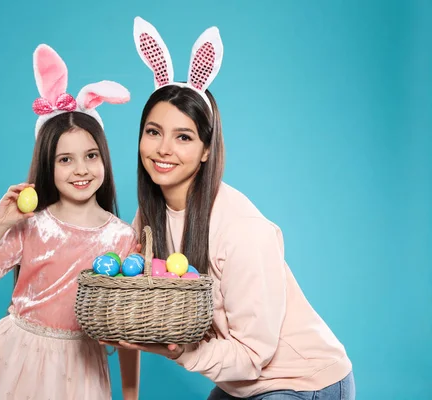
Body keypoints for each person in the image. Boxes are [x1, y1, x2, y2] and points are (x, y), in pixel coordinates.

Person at [109, 17, 355, 400]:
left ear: (207, 149)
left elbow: (255, 354)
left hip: (303, 381)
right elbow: (130, 292)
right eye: (153, 132)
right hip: (239, 383)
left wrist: (182, 352)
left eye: (184, 137)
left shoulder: (242, 229)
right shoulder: (149, 220)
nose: (163, 149)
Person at [0, 44, 140, 400]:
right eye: (65, 159)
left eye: (90, 155)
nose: (81, 169)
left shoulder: (122, 238)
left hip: (81, 371)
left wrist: (131, 397)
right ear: (47, 166)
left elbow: (125, 330)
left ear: (105, 157)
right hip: (17, 361)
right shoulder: (32, 226)